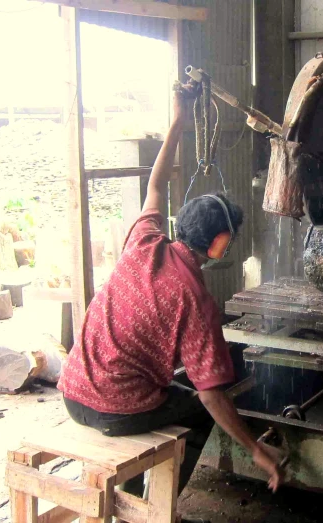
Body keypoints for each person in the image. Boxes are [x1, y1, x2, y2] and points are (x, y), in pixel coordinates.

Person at [57, 85, 283, 501]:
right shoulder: (196, 300)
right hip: (114, 409)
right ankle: (158, 507)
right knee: (202, 414)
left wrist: (178, 120)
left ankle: (127, 493)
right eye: (226, 243)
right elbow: (212, 394)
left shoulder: (145, 238)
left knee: (167, 387)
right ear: (218, 245)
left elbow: (156, 183)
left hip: (73, 391)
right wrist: (256, 450)